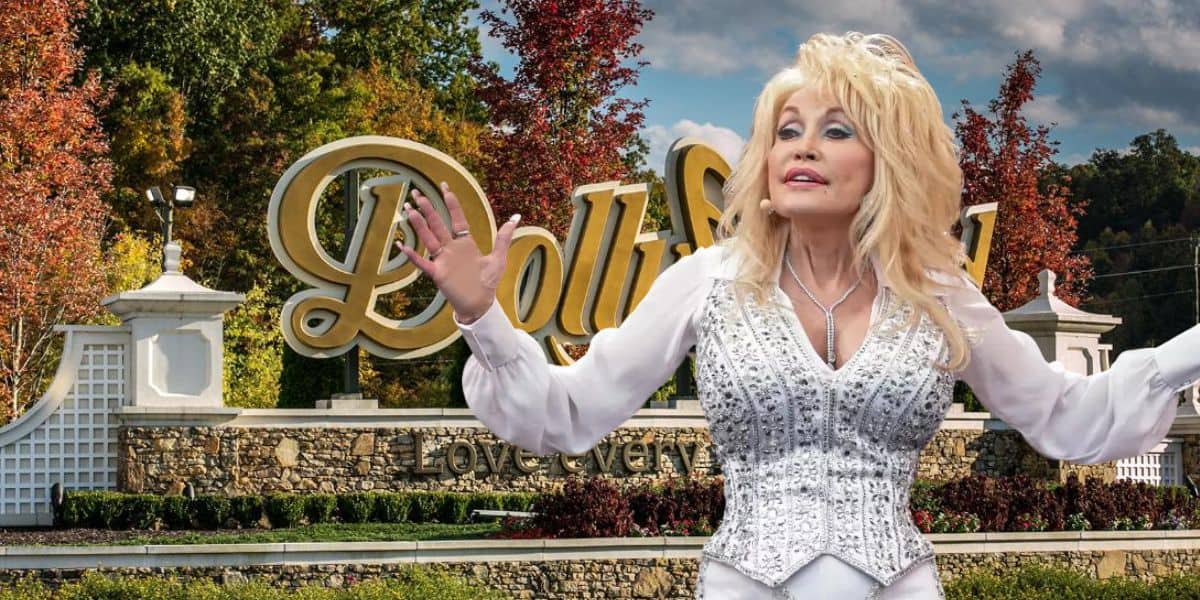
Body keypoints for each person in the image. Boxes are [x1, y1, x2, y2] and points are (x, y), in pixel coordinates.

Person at [394, 31, 1200, 600]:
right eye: (787, 131)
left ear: (889, 159)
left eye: (835, 130)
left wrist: (1189, 350)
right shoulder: (706, 282)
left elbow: (1064, 415)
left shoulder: (939, 294)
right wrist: (481, 316)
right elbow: (568, 414)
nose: (800, 148)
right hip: (744, 586)